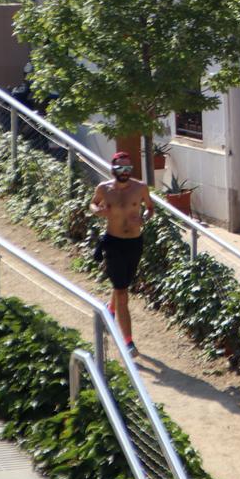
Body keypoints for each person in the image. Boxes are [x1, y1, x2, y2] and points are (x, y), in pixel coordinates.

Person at [91, 151, 153, 356]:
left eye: (128, 169)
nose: (125, 172)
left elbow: (150, 209)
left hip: (134, 243)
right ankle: (128, 343)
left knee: (123, 284)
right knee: (123, 293)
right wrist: (97, 211)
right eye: (121, 168)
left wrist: (144, 218)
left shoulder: (140, 188)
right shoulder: (104, 189)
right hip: (113, 242)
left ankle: (110, 310)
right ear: (113, 168)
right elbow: (92, 203)